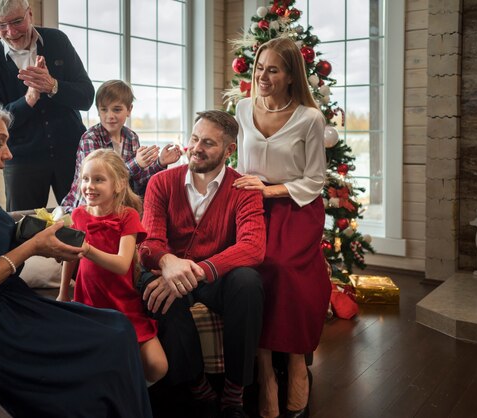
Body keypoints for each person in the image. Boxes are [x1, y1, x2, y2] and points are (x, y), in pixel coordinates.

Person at [0, 98, 152, 418]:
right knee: (110, 339)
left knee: (118, 327)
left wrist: (40, 235)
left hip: (4, 306)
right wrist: (32, 246)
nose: (8, 153)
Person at [139, 110, 266, 418]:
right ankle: (197, 385)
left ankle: (235, 392)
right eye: (194, 138)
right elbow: (148, 244)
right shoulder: (161, 182)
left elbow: (253, 247)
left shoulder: (243, 189)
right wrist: (168, 262)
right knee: (152, 287)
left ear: (229, 150)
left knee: (248, 283)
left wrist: (197, 271)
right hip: (169, 273)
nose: (196, 147)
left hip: (213, 278)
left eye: (208, 143)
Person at [233, 37, 332, 418]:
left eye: (273, 69)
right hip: (252, 207)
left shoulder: (310, 117)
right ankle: (264, 372)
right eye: (259, 68)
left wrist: (269, 189)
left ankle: (294, 365)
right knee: (251, 271)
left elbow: (315, 180)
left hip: (296, 207)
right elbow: (239, 164)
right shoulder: (243, 109)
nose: (262, 76)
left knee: (285, 270)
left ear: (291, 76)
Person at [58, 149, 168, 384]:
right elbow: (71, 256)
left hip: (123, 305)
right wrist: (63, 293)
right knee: (97, 365)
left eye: (99, 179)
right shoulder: (77, 215)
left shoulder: (127, 216)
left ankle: (132, 391)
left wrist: (88, 250)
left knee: (158, 366)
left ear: (118, 185)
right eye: (85, 179)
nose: (89, 186)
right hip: (89, 306)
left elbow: (121, 265)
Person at [0, 0, 94, 211]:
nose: (11, 32)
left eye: (17, 21)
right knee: (24, 227)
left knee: (84, 220)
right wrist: (28, 100)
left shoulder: (58, 41)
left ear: (30, 14)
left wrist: (53, 86)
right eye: (1, 25)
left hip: (72, 154)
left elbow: (87, 97)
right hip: (21, 160)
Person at [60, 80, 181, 212]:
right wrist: (137, 163)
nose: (110, 116)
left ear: (129, 110)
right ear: (98, 111)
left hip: (116, 207)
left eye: (117, 109)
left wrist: (159, 162)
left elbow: (137, 181)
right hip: (87, 208)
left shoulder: (132, 137)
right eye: (104, 109)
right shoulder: (90, 138)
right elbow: (100, 178)